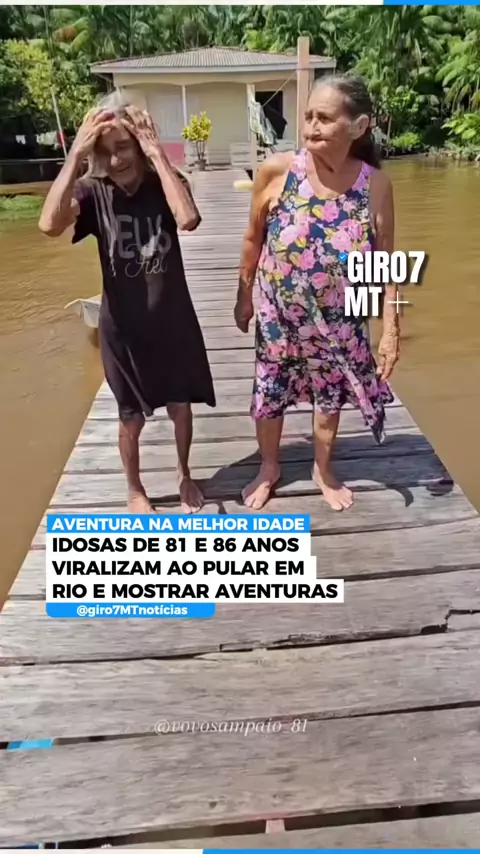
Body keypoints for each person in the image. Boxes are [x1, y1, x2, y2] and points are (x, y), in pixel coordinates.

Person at [39, 92, 216, 514]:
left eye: (124, 147)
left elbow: (187, 218)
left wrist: (157, 153)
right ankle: (134, 488)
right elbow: (48, 225)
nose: (116, 160)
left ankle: (184, 473)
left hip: (173, 321)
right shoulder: (92, 192)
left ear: (139, 143)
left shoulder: (163, 182)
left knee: (180, 406)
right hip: (123, 328)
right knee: (130, 417)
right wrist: (76, 156)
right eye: (105, 151)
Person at [234, 75, 399, 512]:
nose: (311, 126)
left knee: (330, 397)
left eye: (324, 118)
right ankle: (269, 467)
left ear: (359, 126)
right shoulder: (277, 171)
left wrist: (391, 331)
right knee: (270, 393)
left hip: (340, 322)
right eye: (308, 116)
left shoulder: (375, 186)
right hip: (279, 319)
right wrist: (244, 295)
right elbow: (252, 239)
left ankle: (322, 470)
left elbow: (386, 264)